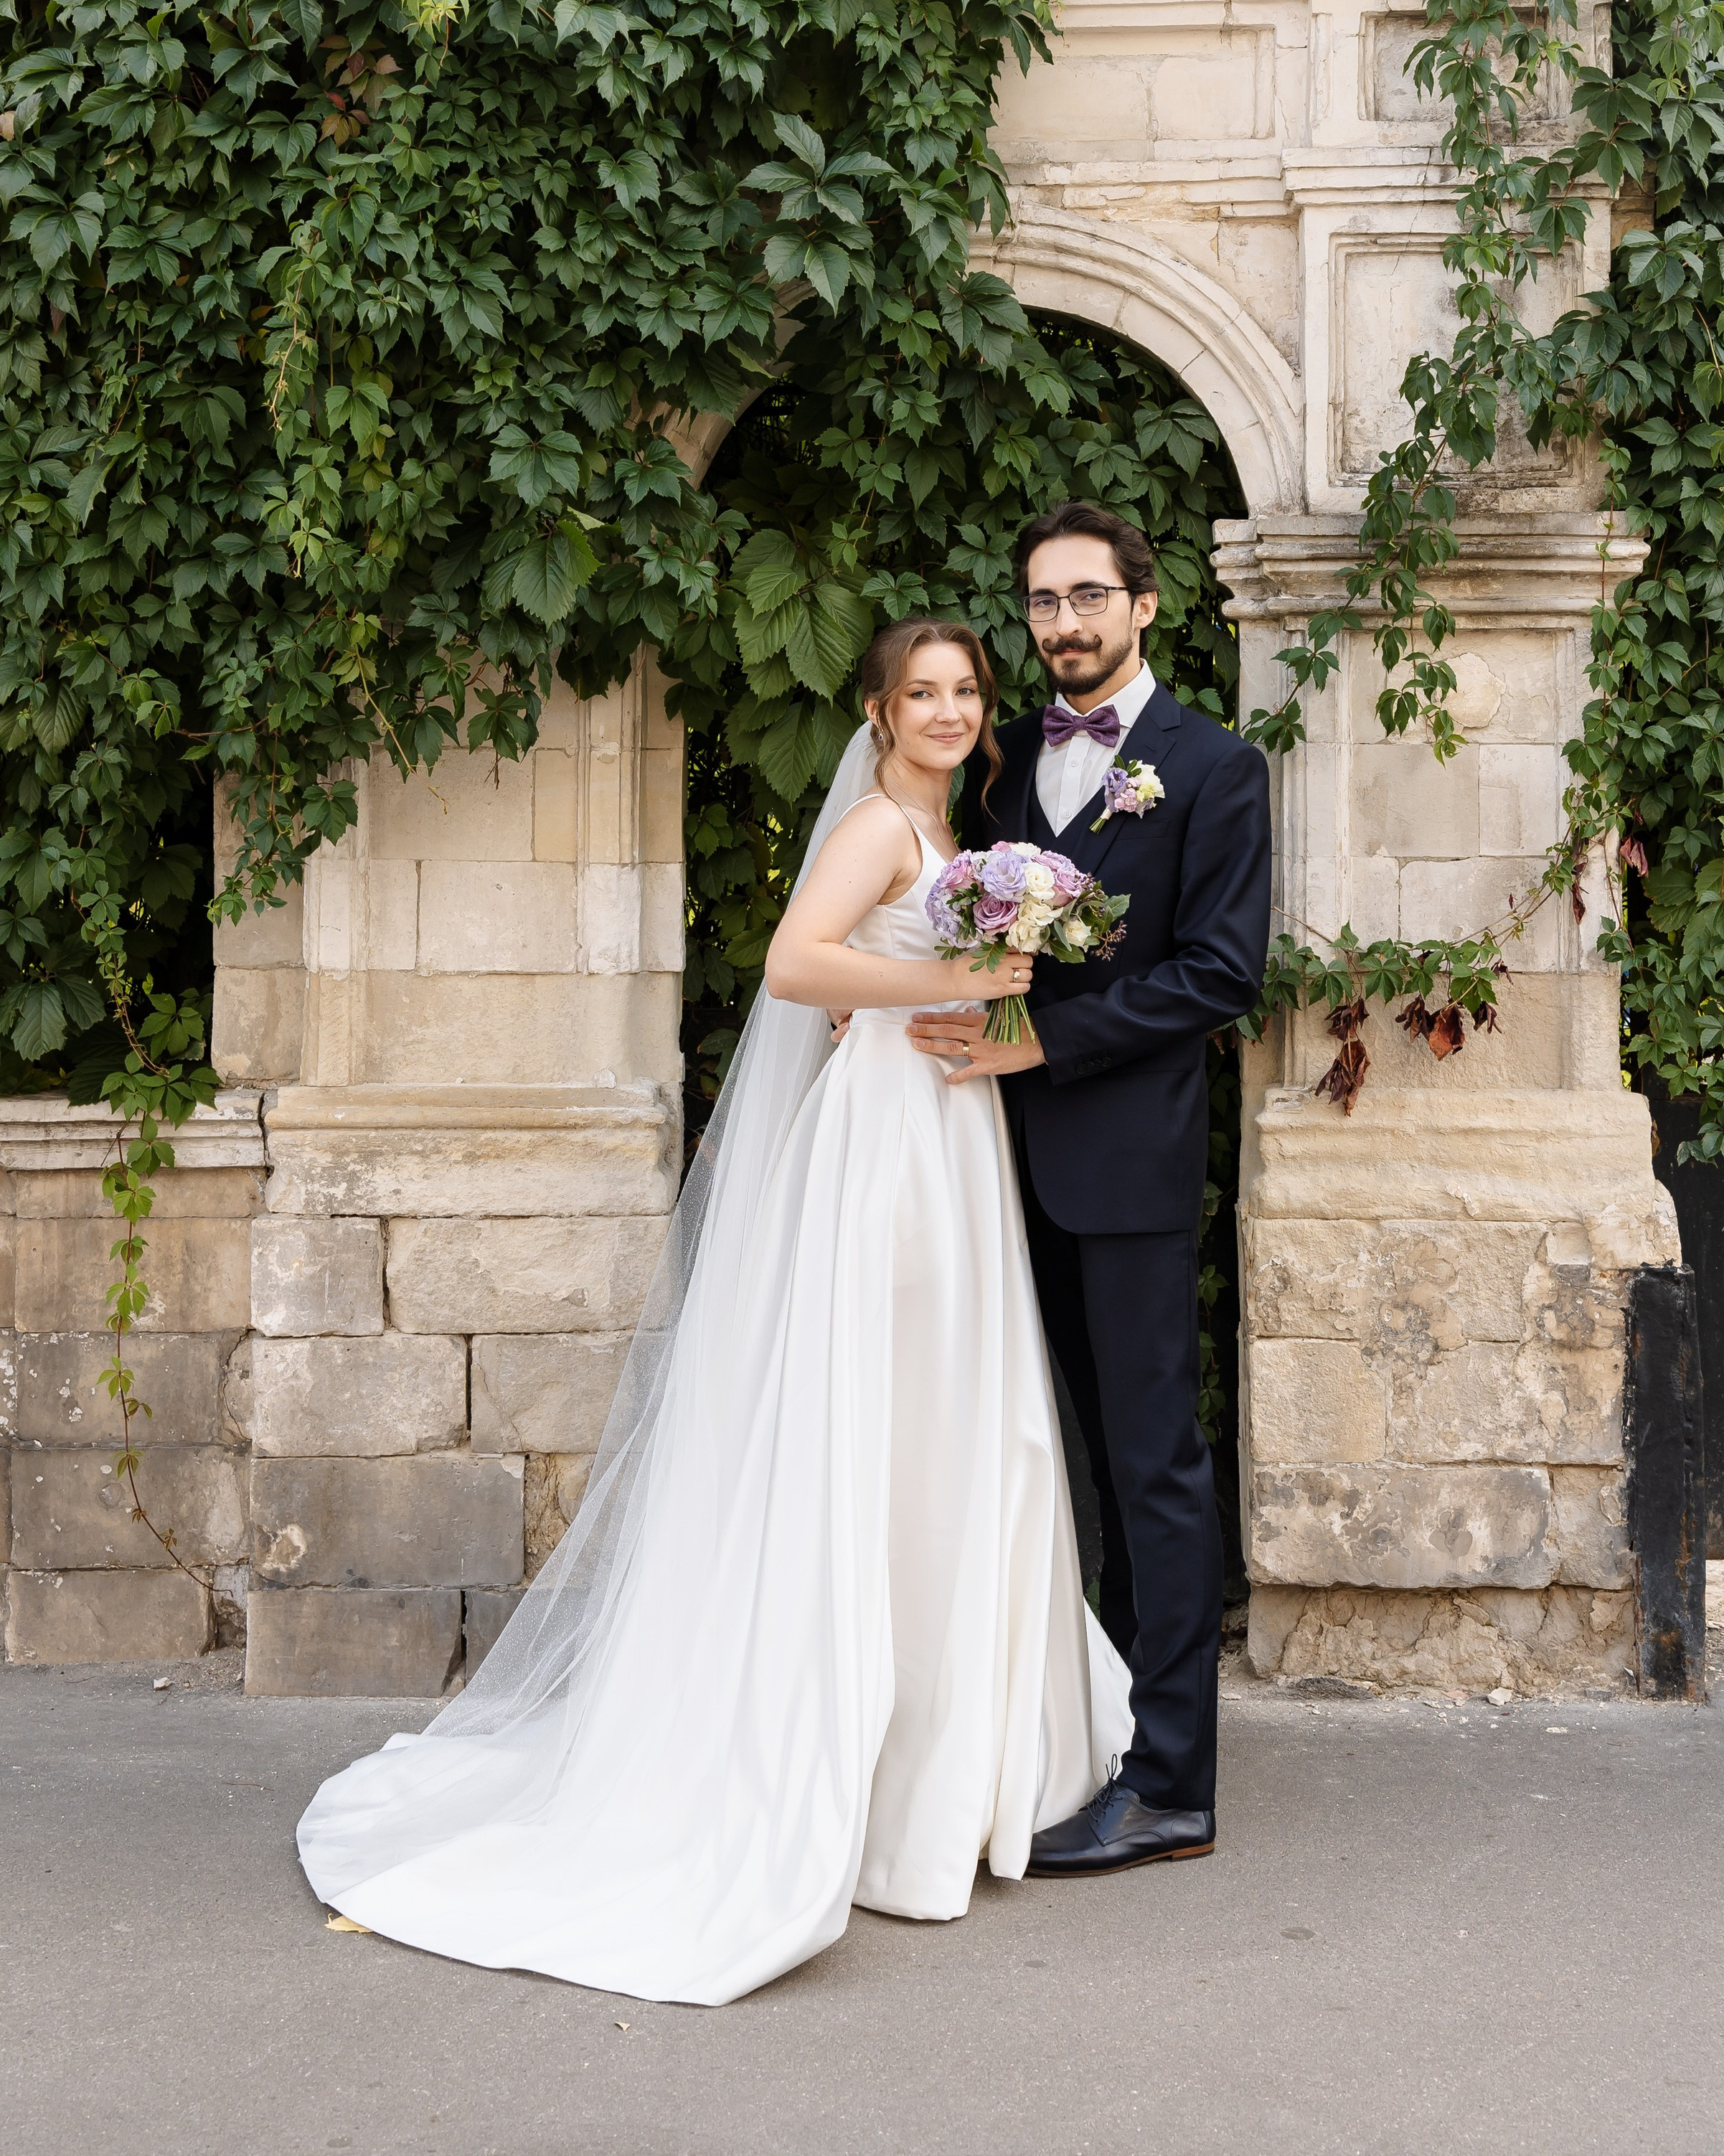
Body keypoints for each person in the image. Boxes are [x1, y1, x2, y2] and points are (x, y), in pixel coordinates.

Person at [295, 617, 1131, 2005]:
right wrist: (958, 979)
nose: (944, 708)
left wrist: (990, 979)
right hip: (887, 1145)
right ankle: (867, 1778)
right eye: (919, 691)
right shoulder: (876, 830)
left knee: (952, 1424)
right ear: (875, 710)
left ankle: (947, 1762)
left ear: (985, 712)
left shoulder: (964, 839)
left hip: (948, 1129)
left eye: (963, 690)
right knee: (888, 1421)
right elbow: (798, 967)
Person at [910, 502, 1272, 1876]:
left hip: (1125, 1169)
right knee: (1049, 1466)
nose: (1063, 623)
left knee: (1154, 1470)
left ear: (1143, 605)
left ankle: (1174, 1782)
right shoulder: (1001, 774)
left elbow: (1220, 976)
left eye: (1087, 598)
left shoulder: (1214, 770)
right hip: (998, 1169)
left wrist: (1045, 1037)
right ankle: (1094, 1735)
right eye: (1043, 602)